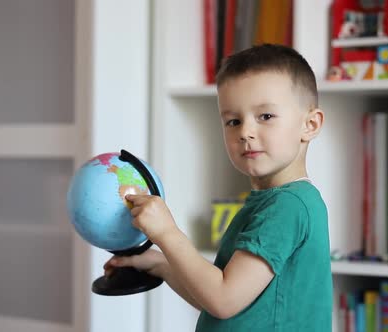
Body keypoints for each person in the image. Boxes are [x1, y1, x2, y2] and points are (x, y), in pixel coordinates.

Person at [104, 44, 333, 331]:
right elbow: (216, 297)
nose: (245, 132)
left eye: (265, 116)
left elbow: (222, 299)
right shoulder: (273, 202)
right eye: (233, 121)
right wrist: (159, 264)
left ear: (310, 124)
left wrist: (166, 233)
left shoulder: (288, 207)